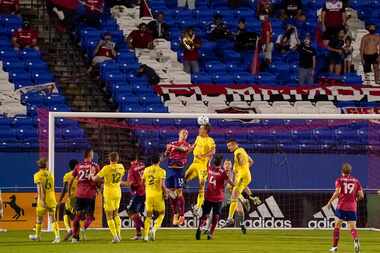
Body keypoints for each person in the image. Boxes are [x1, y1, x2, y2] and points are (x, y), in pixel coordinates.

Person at [327, 163, 364, 253]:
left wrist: (330, 201)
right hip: (352, 207)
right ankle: (355, 240)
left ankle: (335, 247)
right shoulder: (356, 181)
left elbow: (338, 192)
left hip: (341, 206)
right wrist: (355, 199)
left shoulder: (339, 180)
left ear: (342, 171)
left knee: (337, 226)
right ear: (350, 171)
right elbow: (362, 196)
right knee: (352, 228)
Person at [196, 155, 234, 240]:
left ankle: (199, 228)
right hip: (218, 198)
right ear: (221, 163)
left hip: (208, 196)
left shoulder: (209, 169)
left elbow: (207, 163)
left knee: (205, 214)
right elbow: (229, 183)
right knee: (216, 216)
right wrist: (236, 186)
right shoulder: (223, 172)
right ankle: (211, 234)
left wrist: (209, 157)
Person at [92, 152, 125, 243]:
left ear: (109, 159)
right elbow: (119, 178)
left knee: (109, 216)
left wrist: (92, 175)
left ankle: (115, 237)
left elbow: (95, 179)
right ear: (117, 159)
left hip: (109, 193)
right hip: (118, 192)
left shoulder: (106, 168)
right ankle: (118, 234)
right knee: (116, 214)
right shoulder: (121, 167)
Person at [69, 149, 100, 243]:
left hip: (79, 194)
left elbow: (71, 179)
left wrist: (69, 192)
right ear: (90, 154)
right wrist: (99, 188)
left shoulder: (78, 166)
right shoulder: (94, 166)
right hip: (90, 194)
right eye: (92, 153)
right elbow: (98, 179)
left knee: (77, 216)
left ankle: (75, 237)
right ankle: (84, 229)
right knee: (90, 216)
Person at [185, 124, 216, 216]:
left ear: (206, 131)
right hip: (194, 164)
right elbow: (193, 146)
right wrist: (187, 151)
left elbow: (213, 151)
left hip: (203, 166)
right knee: (184, 178)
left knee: (201, 185)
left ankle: (198, 207)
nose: (199, 130)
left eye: (201, 129)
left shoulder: (210, 140)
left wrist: (203, 156)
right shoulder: (198, 137)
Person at [29, 158, 60, 243]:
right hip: (51, 198)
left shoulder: (37, 175)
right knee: (53, 218)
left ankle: (37, 236)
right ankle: (57, 236)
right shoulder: (50, 174)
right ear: (45, 166)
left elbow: (41, 189)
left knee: (39, 218)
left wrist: (42, 200)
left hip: (43, 199)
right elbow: (51, 187)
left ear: (39, 166)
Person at [164, 129, 192, 226]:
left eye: (186, 133)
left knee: (179, 192)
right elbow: (166, 155)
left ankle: (182, 215)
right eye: (183, 133)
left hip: (179, 170)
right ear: (179, 134)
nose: (185, 134)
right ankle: (175, 213)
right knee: (171, 193)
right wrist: (167, 150)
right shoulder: (173, 143)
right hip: (170, 169)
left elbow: (184, 150)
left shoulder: (186, 144)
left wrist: (172, 147)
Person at [224, 139, 255, 226]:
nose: (229, 148)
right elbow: (251, 161)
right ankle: (244, 200)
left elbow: (241, 162)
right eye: (228, 146)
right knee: (235, 192)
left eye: (230, 146)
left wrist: (239, 170)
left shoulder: (237, 152)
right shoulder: (243, 150)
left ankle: (230, 218)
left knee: (233, 191)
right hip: (247, 176)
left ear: (234, 145)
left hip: (241, 175)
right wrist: (245, 169)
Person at [143, 154, 167, 242]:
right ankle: (153, 229)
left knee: (148, 216)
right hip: (158, 195)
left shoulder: (146, 170)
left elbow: (143, 182)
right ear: (159, 160)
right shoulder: (162, 171)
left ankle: (145, 236)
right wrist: (166, 193)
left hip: (148, 195)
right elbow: (162, 185)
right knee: (162, 214)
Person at [221, 159, 248, 234]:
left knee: (240, 211)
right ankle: (207, 227)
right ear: (223, 166)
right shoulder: (220, 173)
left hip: (233, 194)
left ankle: (242, 224)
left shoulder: (235, 173)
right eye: (226, 164)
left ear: (231, 165)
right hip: (223, 195)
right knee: (213, 211)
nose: (227, 165)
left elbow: (241, 184)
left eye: (229, 164)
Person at [58, 159, 79, 241]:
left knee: (66, 213)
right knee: (76, 217)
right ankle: (76, 236)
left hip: (72, 198)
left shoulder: (67, 175)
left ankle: (70, 230)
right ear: (76, 166)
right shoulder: (80, 174)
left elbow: (64, 190)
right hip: (81, 197)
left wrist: (60, 200)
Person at [126, 156, 145, 240]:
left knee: (130, 211)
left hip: (138, 193)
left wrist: (122, 183)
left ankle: (147, 229)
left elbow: (131, 184)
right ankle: (139, 234)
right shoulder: (143, 165)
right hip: (145, 191)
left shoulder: (132, 169)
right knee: (136, 213)